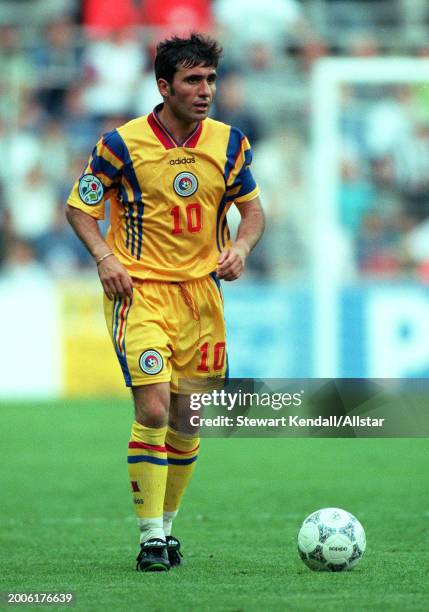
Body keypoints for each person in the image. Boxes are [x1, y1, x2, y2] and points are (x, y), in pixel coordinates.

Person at [66, 33, 265, 572]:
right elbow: (80, 209)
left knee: (188, 417)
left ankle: (168, 528)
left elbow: (252, 212)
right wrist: (106, 258)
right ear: (164, 86)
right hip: (141, 292)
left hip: (202, 296)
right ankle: (149, 536)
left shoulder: (230, 144)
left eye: (211, 80)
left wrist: (241, 247)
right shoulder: (120, 145)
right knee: (152, 406)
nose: (205, 91)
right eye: (193, 81)